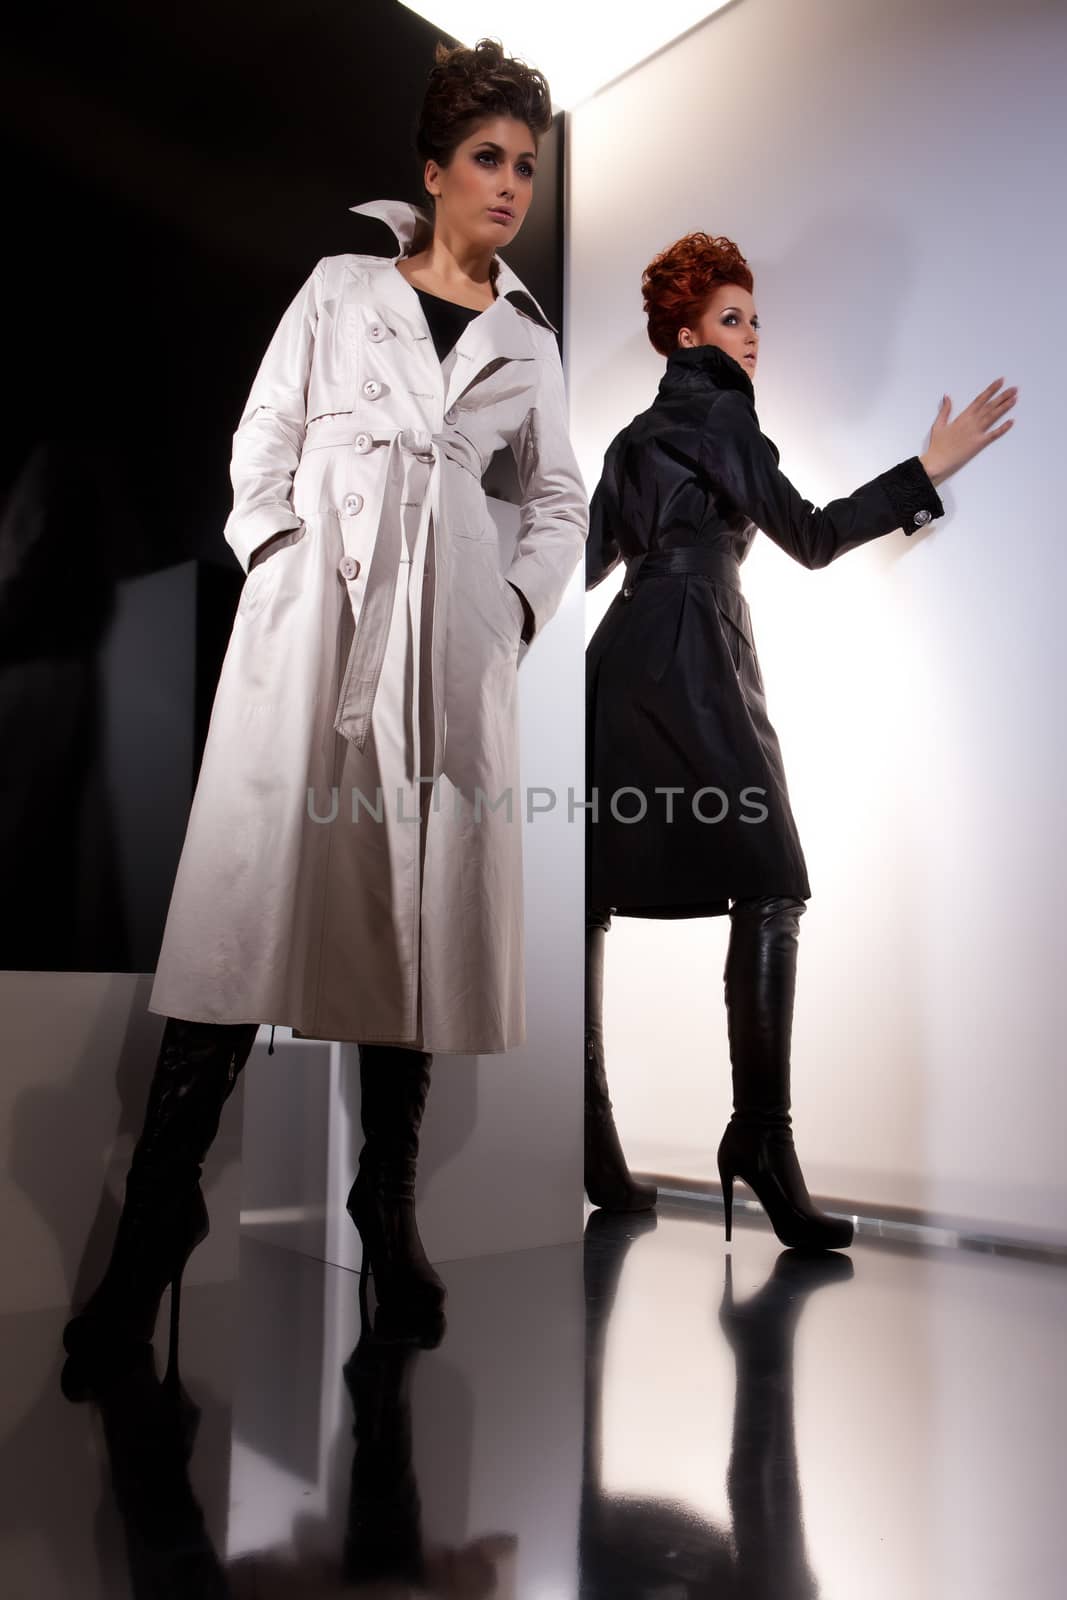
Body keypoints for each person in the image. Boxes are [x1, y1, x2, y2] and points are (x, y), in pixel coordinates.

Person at [64, 38, 586, 1364]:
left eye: (526, 163)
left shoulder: (530, 339)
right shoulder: (341, 287)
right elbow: (261, 439)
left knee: (404, 919)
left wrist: (507, 610)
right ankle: (160, 1216)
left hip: (445, 644)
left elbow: (556, 498)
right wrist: (282, 559)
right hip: (314, 632)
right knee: (248, 900)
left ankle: (383, 1201)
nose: (509, 182)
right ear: (433, 168)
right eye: (487, 157)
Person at [584, 230, 1016, 1248]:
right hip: (693, 648)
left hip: (617, 660)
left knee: (587, 892)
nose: (750, 339)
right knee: (770, 877)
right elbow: (811, 537)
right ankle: (759, 1141)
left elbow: (583, 558)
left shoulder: (627, 439)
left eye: (754, 321)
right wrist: (926, 468)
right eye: (732, 319)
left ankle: (592, 1139)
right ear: (685, 332)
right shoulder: (718, 410)